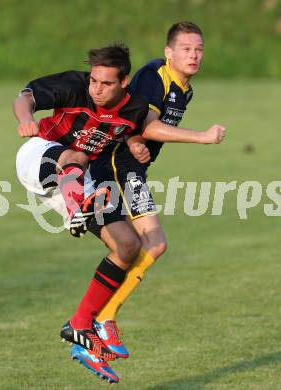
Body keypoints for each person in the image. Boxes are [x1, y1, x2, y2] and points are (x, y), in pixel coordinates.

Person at [69, 21, 226, 382]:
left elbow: (139, 124)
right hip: (117, 164)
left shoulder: (184, 90)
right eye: (186, 48)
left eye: (199, 48)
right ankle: (98, 320)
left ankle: (101, 318)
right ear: (169, 52)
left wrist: (138, 138)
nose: (194, 54)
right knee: (152, 243)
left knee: (153, 245)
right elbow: (138, 120)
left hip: (132, 167)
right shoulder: (156, 74)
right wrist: (199, 137)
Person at [13, 43, 153, 383]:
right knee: (74, 156)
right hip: (40, 156)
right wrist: (26, 119)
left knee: (128, 246)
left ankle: (79, 325)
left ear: (124, 82)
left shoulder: (134, 108)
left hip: (77, 180)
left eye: (106, 84)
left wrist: (135, 141)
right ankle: (79, 208)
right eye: (94, 81)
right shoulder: (75, 86)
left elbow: (139, 127)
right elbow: (25, 96)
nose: (97, 89)